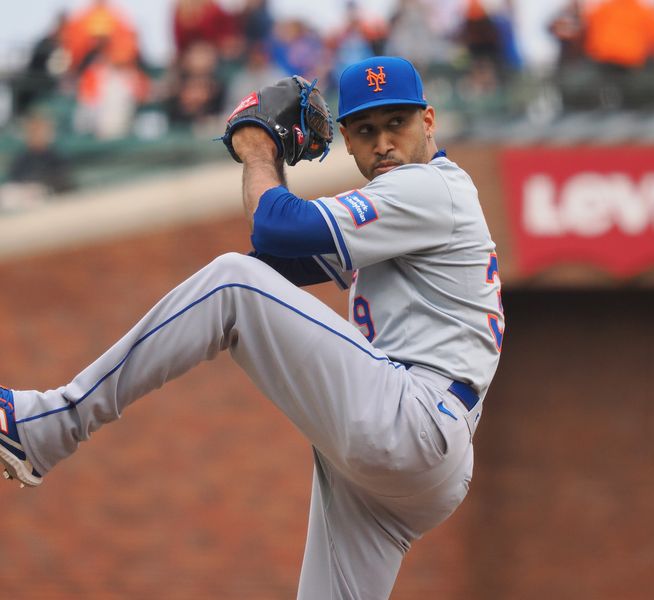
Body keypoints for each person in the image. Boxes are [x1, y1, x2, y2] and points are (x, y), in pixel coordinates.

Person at [0, 56, 504, 599]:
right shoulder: (405, 206)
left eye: (396, 123)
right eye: (365, 129)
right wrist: (268, 162)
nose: (383, 142)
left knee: (229, 281)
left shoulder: (430, 189)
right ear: (347, 143)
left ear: (428, 121)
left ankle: (51, 423)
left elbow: (264, 244)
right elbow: (272, 253)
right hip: (416, 455)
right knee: (240, 280)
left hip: (413, 420)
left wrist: (259, 148)